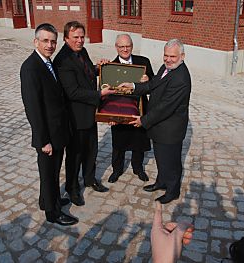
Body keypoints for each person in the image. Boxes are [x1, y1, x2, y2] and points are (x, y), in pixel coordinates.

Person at [119, 39, 191, 204]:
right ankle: (161, 182)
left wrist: (143, 120)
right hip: (160, 127)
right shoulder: (166, 68)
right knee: (161, 158)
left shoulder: (181, 78)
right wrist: (134, 86)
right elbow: (153, 84)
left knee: (171, 161)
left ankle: (172, 191)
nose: (168, 59)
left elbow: (165, 107)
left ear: (182, 56)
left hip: (170, 129)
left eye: (172, 56)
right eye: (166, 55)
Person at [20, 23, 78, 226]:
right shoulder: (30, 67)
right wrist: (43, 140)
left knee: (51, 173)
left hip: (58, 131)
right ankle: (53, 213)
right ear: (36, 41)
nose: (50, 45)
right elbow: (33, 109)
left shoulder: (48, 62)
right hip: (47, 137)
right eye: (45, 41)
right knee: (49, 174)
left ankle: (47, 199)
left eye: (53, 41)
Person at [53, 21, 114, 207]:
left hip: (89, 113)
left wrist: (100, 68)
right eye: (75, 38)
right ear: (65, 38)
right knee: (75, 155)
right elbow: (73, 92)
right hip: (75, 117)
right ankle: (72, 188)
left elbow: (87, 73)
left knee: (91, 150)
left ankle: (89, 179)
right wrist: (99, 95)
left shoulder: (82, 52)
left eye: (82, 37)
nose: (80, 41)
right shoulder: (62, 60)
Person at [107, 34, 154, 184]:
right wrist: (108, 115)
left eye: (128, 46)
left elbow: (153, 85)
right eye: (121, 46)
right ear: (116, 47)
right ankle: (117, 169)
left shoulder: (143, 62)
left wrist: (148, 81)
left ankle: (138, 168)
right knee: (119, 142)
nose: (125, 49)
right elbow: (106, 92)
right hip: (118, 109)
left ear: (132, 46)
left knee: (139, 139)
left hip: (139, 109)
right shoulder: (110, 66)